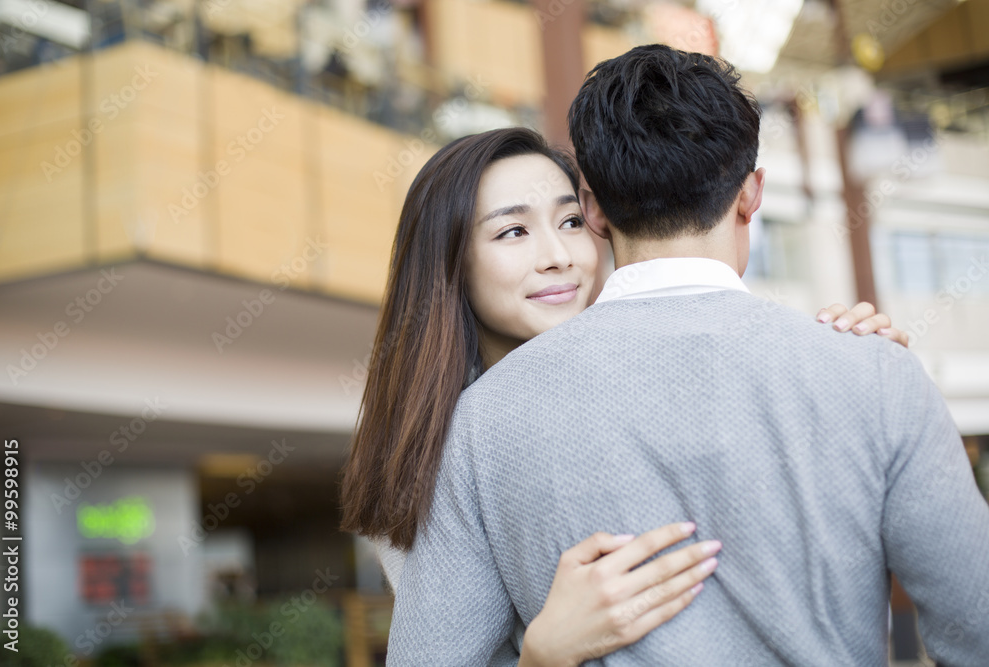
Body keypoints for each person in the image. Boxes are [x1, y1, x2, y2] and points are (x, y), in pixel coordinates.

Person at [384, 46, 989, 666]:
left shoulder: (482, 422)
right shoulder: (876, 373)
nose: (555, 256)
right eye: (512, 231)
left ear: (591, 210)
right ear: (752, 193)